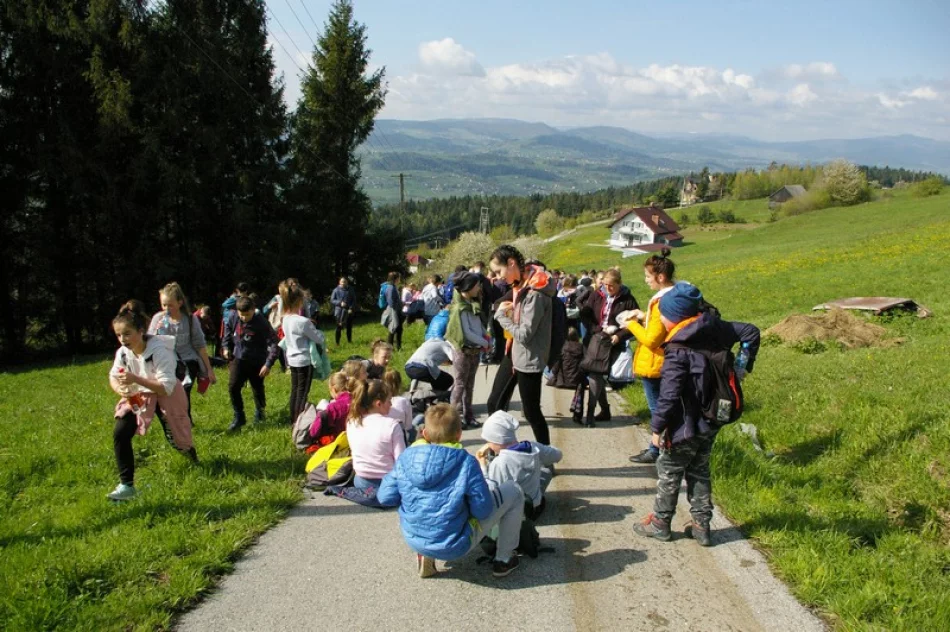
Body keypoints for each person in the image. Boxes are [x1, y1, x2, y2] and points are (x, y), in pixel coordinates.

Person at [633, 283, 760, 546]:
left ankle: (660, 522)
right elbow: (751, 331)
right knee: (699, 469)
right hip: (715, 415)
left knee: (669, 469)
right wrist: (740, 369)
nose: (661, 320)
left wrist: (656, 430)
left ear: (676, 316)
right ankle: (701, 525)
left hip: (685, 422)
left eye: (663, 315)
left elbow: (668, 396)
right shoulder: (716, 328)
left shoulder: (678, 349)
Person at [377, 403, 525, 578]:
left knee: (424, 503)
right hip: (455, 544)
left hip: (414, 538)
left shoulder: (406, 458)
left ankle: (427, 552)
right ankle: (504, 559)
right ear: (459, 435)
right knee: (513, 490)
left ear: (424, 433)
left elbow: (384, 497)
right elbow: (483, 510)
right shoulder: (466, 462)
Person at [108, 301, 197, 501]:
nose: (123, 339)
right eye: (119, 335)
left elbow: (165, 386)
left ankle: (192, 458)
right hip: (139, 394)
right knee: (120, 432)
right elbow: (113, 376)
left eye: (127, 334)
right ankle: (127, 486)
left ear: (141, 331)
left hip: (167, 393)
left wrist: (135, 379)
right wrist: (120, 388)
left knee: (177, 436)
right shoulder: (123, 353)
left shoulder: (160, 350)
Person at [488, 245, 556, 445]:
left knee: (532, 412)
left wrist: (501, 316)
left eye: (499, 271)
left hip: (528, 358)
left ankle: (547, 457)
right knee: (495, 403)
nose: (499, 277)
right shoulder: (522, 285)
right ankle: (501, 448)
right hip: (514, 352)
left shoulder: (535, 293)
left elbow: (525, 334)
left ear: (511, 263)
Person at [626, 249, 677, 464]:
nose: (646, 280)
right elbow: (664, 324)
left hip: (656, 362)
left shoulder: (660, 301)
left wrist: (631, 324)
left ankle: (656, 451)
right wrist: (643, 315)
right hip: (670, 360)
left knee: (658, 409)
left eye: (648, 276)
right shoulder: (675, 295)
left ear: (660, 277)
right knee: (665, 408)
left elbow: (652, 339)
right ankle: (664, 448)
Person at [576, 269, 638, 427]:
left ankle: (598, 412)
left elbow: (634, 322)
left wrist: (620, 335)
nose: (607, 288)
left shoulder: (628, 300)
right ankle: (595, 412)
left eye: (611, 286)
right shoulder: (597, 295)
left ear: (619, 284)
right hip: (596, 339)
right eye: (605, 285)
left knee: (599, 373)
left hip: (613, 341)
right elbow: (585, 314)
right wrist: (595, 329)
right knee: (596, 373)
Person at [148, 282, 216, 420]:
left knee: (183, 391)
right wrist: (156, 332)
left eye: (170, 305)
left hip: (187, 361)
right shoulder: (158, 319)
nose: (166, 309)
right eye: (164, 305)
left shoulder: (190, 320)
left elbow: (200, 345)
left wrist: (209, 370)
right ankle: (174, 420)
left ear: (180, 303)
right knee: (168, 393)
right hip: (165, 362)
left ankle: (185, 421)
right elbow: (149, 343)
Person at [477, 411, 562, 518]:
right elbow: (558, 455)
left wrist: (483, 468)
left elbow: (491, 493)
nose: (488, 444)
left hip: (514, 515)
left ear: (497, 440)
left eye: (488, 441)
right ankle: (535, 499)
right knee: (546, 471)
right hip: (534, 507)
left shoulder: (499, 463)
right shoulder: (533, 447)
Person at [222, 296, 279, 432]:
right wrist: (226, 348)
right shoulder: (232, 317)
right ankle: (239, 416)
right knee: (233, 386)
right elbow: (227, 335)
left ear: (254, 310)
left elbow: (274, 343)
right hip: (239, 358)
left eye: (247, 315)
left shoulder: (261, 323)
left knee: (257, 387)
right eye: (241, 315)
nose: (244, 318)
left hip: (257, 360)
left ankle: (260, 411)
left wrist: (268, 364)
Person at [447, 272, 491, 429]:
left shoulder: (472, 304)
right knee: (460, 384)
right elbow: (466, 333)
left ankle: (468, 416)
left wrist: (487, 338)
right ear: (469, 287)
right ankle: (451, 420)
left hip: (474, 350)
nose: (479, 287)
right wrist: (484, 343)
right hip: (462, 351)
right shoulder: (460, 308)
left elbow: (478, 326)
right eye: (477, 285)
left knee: (470, 385)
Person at [347, 379, 406, 492]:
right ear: (378, 403)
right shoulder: (392, 425)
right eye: (389, 400)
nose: (391, 404)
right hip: (388, 483)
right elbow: (401, 462)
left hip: (360, 480)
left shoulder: (352, 422)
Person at [281, 283, 325, 424]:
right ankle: (298, 422)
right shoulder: (303, 321)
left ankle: (292, 418)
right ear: (299, 301)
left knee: (295, 390)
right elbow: (318, 338)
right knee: (303, 392)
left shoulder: (285, 319)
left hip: (292, 359)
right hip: (304, 360)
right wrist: (318, 331)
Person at [309, 372, 356, 442]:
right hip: (354, 437)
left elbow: (313, 433)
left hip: (337, 440)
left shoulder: (333, 407)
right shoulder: (357, 400)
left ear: (333, 389)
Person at [547, 326, 584, 391]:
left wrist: (554, 374)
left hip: (563, 381)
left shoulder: (562, 347)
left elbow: (556, 367)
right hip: (577, 381)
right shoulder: (581, 347)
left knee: (546, 370)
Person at [383, 369, 414, 442]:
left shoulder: (379, 402)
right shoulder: (404, 401)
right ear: (400, 383)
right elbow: (408, 426)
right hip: (401, 439)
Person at [380, 271, 404, 350]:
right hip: (393, 310)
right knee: (393, 328)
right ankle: (389, 347)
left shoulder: (393, 286)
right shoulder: (390, 287)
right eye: (399, 278)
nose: (399, 279)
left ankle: (398, 347)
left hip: (396, 309)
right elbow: (390, 301)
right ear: (395, 279)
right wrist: (397, 305)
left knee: (399, 328)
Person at [330, 277, 357, 345]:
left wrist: (351, 308)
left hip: (348, 311)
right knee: (338, 327)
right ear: (339, 282)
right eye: (342, 282)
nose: (343, 283)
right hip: (339, 312)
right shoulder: (335, 290)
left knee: (349, 327)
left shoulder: (350, 289)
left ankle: (349, 341)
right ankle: (337, 343)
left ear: (347, 282)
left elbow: (354, 300)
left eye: (345, 281)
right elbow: (332, 300)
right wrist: (340, 303)